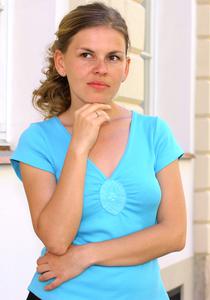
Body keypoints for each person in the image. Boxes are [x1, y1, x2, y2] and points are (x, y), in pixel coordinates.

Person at [10, 2, 186, 299]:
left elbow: (174, 234)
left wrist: (84, 256)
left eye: (113, 57)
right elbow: (56, 239)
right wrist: (78, 148)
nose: (101, 69)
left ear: (126, 68)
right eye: (86, 55)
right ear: (61, 62)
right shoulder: (37, 141)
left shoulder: (154, 133)